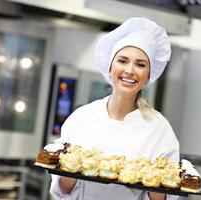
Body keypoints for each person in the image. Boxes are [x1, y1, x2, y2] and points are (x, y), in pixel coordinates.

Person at [50, 17, 180, 200]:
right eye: (122, 60)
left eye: (140, 64)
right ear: (110, 66)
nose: (130, 70)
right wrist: (68, 167)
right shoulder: (81, 119)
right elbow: (63, 191)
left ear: (148, 76)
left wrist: (158, 178)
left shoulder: (160, 130)